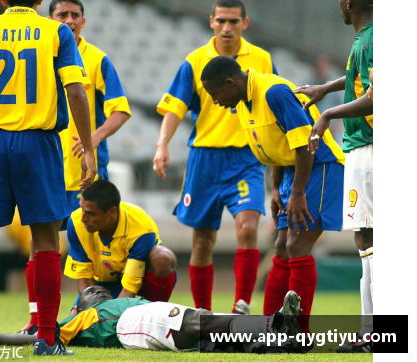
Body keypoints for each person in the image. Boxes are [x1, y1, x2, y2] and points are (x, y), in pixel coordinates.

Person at [0, 0, 97, 355]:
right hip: (38, 141)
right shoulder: (56, 32)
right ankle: (47, 340)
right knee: (47, 237)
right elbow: (76, 90)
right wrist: (90, 151)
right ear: (39, 2)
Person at [201, 56, 345, 342]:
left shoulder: (273, 92)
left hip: (320, 165)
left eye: (215, 95)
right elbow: (276, 146)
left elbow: (305, 143)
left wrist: (298, 193)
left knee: (297, 244)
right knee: (281, 247)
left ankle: (298, 334)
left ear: (230, 83)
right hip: (293, 172)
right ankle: (269, 329)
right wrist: (276, 189)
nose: (216, 102)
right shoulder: (244, 103)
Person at [153, 0, 278, 314]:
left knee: (248, 230)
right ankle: (204, 314)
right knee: (203, 241)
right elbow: (175, 107)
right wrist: (162, 144)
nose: (227, 28)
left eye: (234, 21)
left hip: (247, 158)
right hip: (204, 160)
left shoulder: (262, 59)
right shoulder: (194, 61)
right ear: (211, 21)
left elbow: (275, 99)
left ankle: (242, 306)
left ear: (244, 24)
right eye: (221, 20)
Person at [16, 0, 132, 336]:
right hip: (47, 165)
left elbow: (120, 111)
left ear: (84, 20)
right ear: (50, 19)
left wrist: (91, 140)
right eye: (61, 15)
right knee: (40, 246)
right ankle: (37, 319)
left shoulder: (98, 59)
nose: (68, 20)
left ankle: (100, 316)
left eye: (74, 15)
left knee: (98, 247)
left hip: (88, 171)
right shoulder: (37, 56)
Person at [293, 0, 373, 353]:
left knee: (369, 240)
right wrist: (327, 88)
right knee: (367, 240)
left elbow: (377, 96)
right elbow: (358, 76)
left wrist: (328, 114)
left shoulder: (371, 40)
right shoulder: (367, 39)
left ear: (349, 3)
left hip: (369, 146)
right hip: (365, 147)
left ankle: (373, 333)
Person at [0, 286, 303, 353]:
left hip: (148, 319)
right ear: (77, 309)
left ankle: (276, 342)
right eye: (89, 292)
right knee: (205, 321)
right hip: (135, 324)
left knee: (213, 334)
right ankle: (274, 324)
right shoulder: (88, 317)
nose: (95, 290)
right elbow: (44, 339)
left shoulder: (118, 302)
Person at [64, 180, 177, 310]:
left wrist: (109, 317)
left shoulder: (140, 228)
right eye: (82, 209)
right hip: (102, 285)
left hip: (141, 283)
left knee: (162, 257)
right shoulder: (76, 222)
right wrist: (91, 311)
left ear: (112, 212)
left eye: (90, 213)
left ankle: (153, 315)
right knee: (74, 321)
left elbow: (129, 290)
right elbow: (85, 280)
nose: (83, 218)